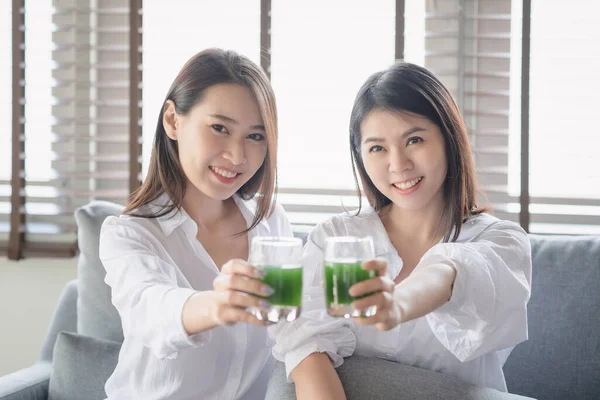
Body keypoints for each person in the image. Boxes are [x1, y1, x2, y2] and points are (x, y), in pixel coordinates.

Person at [269, 62, 532, 399]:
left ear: (449, 139)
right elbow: (306, 351)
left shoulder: (500, 241)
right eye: (377, 148)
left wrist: (400, 302)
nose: (398, 164)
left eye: (414, 140)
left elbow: (452, 272)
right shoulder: (334, 237)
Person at [99, 48, 292, 399]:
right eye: (219, 128)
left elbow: (297, 333)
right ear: (172, 121)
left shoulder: (272, 223)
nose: (236, 156)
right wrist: (219, 304)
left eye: (255, 136)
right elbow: (149, 308)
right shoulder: (129, 232)